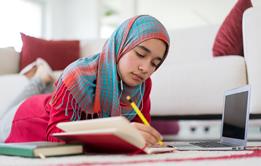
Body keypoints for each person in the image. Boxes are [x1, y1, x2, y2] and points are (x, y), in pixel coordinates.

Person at [2, 15, 170, 147]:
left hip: (52, 104)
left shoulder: (142, 85)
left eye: (155, 63)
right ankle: (40, 78)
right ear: (121, 46)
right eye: (140, 54)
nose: (146, 68)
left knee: (54, 96)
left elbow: (141, 135)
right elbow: (55, 137)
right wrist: (119, 136)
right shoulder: (77, 74)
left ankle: (43, 79)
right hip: (23, 119)